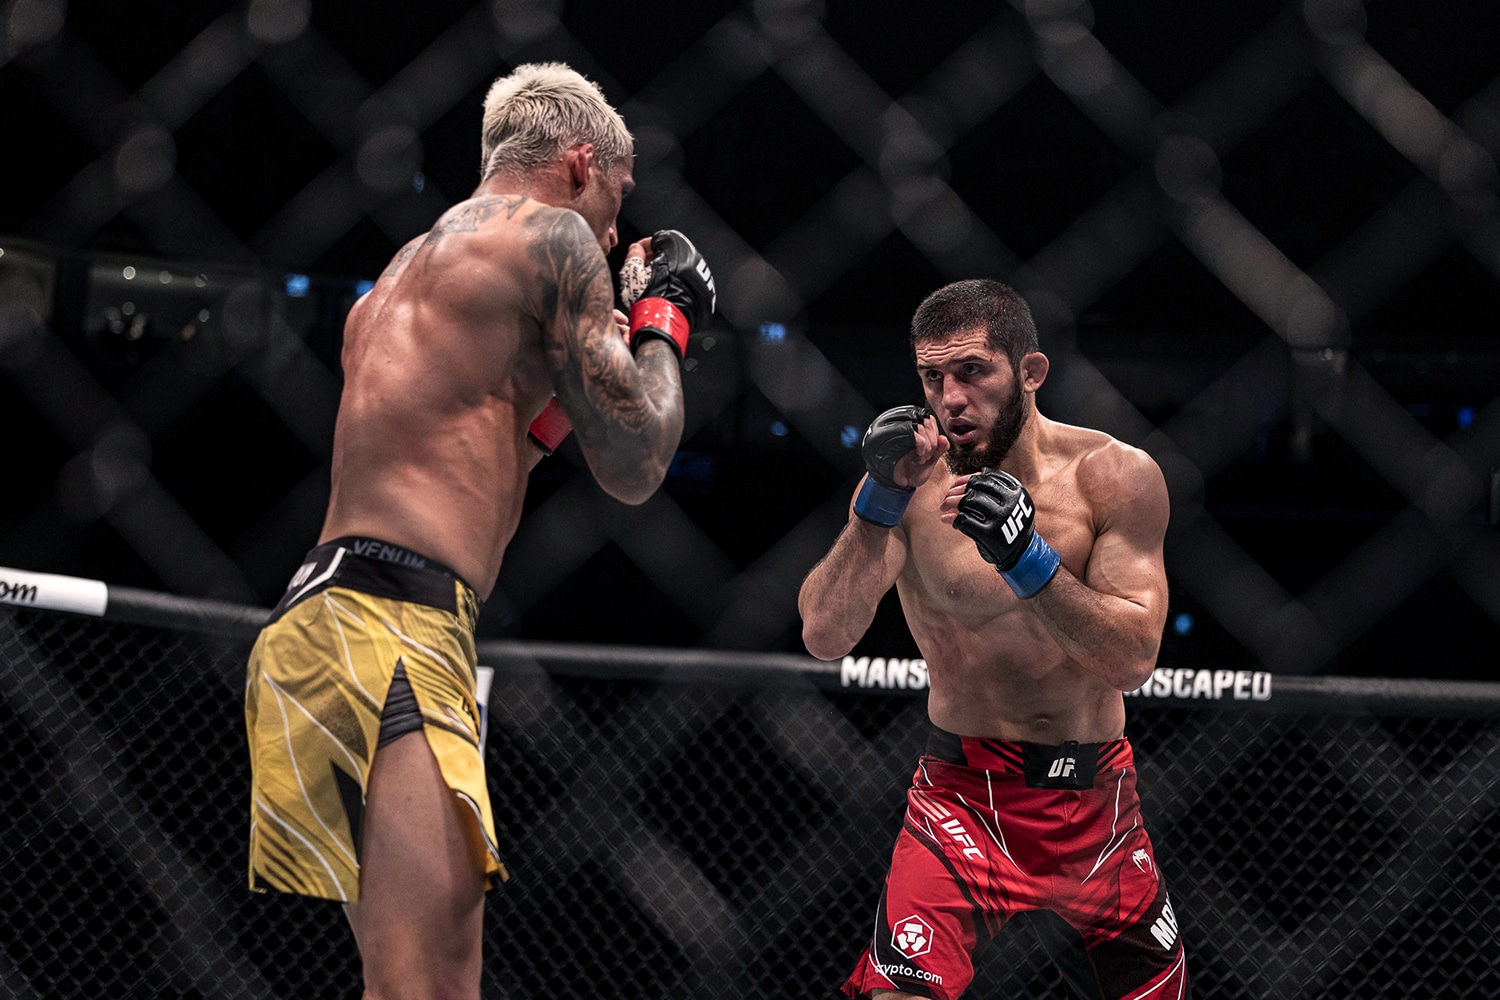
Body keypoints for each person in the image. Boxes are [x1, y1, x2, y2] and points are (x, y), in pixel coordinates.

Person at [243, 62, 715, 999]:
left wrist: (590, 372)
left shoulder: (403, 273)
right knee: (431, 988)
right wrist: (667, 320)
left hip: (313, 627)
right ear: (580, 165)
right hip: (397, 627)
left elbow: (502, 443)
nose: (614, 232)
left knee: (401, 982)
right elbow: (636, 464)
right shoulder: (554, 238)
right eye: (617, 198)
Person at [799, 279, 1186, 1000]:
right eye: (932, 377)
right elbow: (824, 633)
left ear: (1031, 372)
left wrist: (1026, 559)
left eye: (972, 371)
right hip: (962, 799)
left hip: (1097, 804)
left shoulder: (1114, 478)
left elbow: (1132, 659)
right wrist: (876, 504)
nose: (950, 399)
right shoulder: (908, 488)